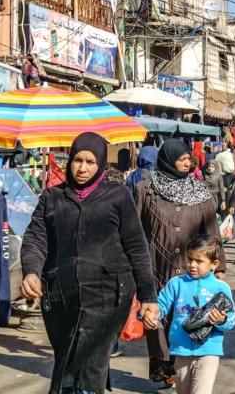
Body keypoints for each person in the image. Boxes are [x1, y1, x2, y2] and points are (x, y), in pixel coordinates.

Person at [20, 132, 159, 394]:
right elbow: (35, 239)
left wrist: (148, 296)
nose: (82, 168)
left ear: (101, 165)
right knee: (68, 355)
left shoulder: (117, 196)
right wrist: (31, 273)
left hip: (109, 294)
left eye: (90, 162)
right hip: (61, 294)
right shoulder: (52, 197)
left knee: (91, 359)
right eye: (77, 160)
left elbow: (136, 247)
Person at [134, 139, 225, 387]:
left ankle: (178, 364)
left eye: (189, 159)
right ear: (167, 159)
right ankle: (165, 368)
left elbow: (211, 231)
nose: (187, 163)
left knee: (185, 317)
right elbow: (135, 231)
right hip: (154, 266)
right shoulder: (145, 189)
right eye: (182, 158)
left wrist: (219, 267)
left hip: (191, 267)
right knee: (156, 320)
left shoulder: (201, 193)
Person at [144, 234, 235, 394]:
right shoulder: (177, 283)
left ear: (214, 264)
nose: (192, 265)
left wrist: (222, 320)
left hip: (208, 351)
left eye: (199, 261)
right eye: (189, 259)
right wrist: (151, 316)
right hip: (180, 351)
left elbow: (232, 318)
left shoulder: (221, 288)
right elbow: (160, 306)